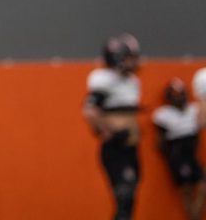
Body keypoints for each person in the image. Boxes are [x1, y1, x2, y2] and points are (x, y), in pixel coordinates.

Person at [83, 33, 143, 220]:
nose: (134, 62)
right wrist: (110, 132)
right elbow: (90, 110)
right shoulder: (103, 80)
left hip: (130, 147)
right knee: (124, 196)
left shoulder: (132, 82)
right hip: (116, 148)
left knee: (129, 199)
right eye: (130, 57)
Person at [152, 78, 205, 220]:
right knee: (186, 188)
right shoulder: (163, 114)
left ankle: (195, 215)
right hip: (178, 154)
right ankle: (192, 217)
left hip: (191, 152)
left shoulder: (193, 109)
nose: (179, 98)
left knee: (201, 184)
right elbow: (160, 141)